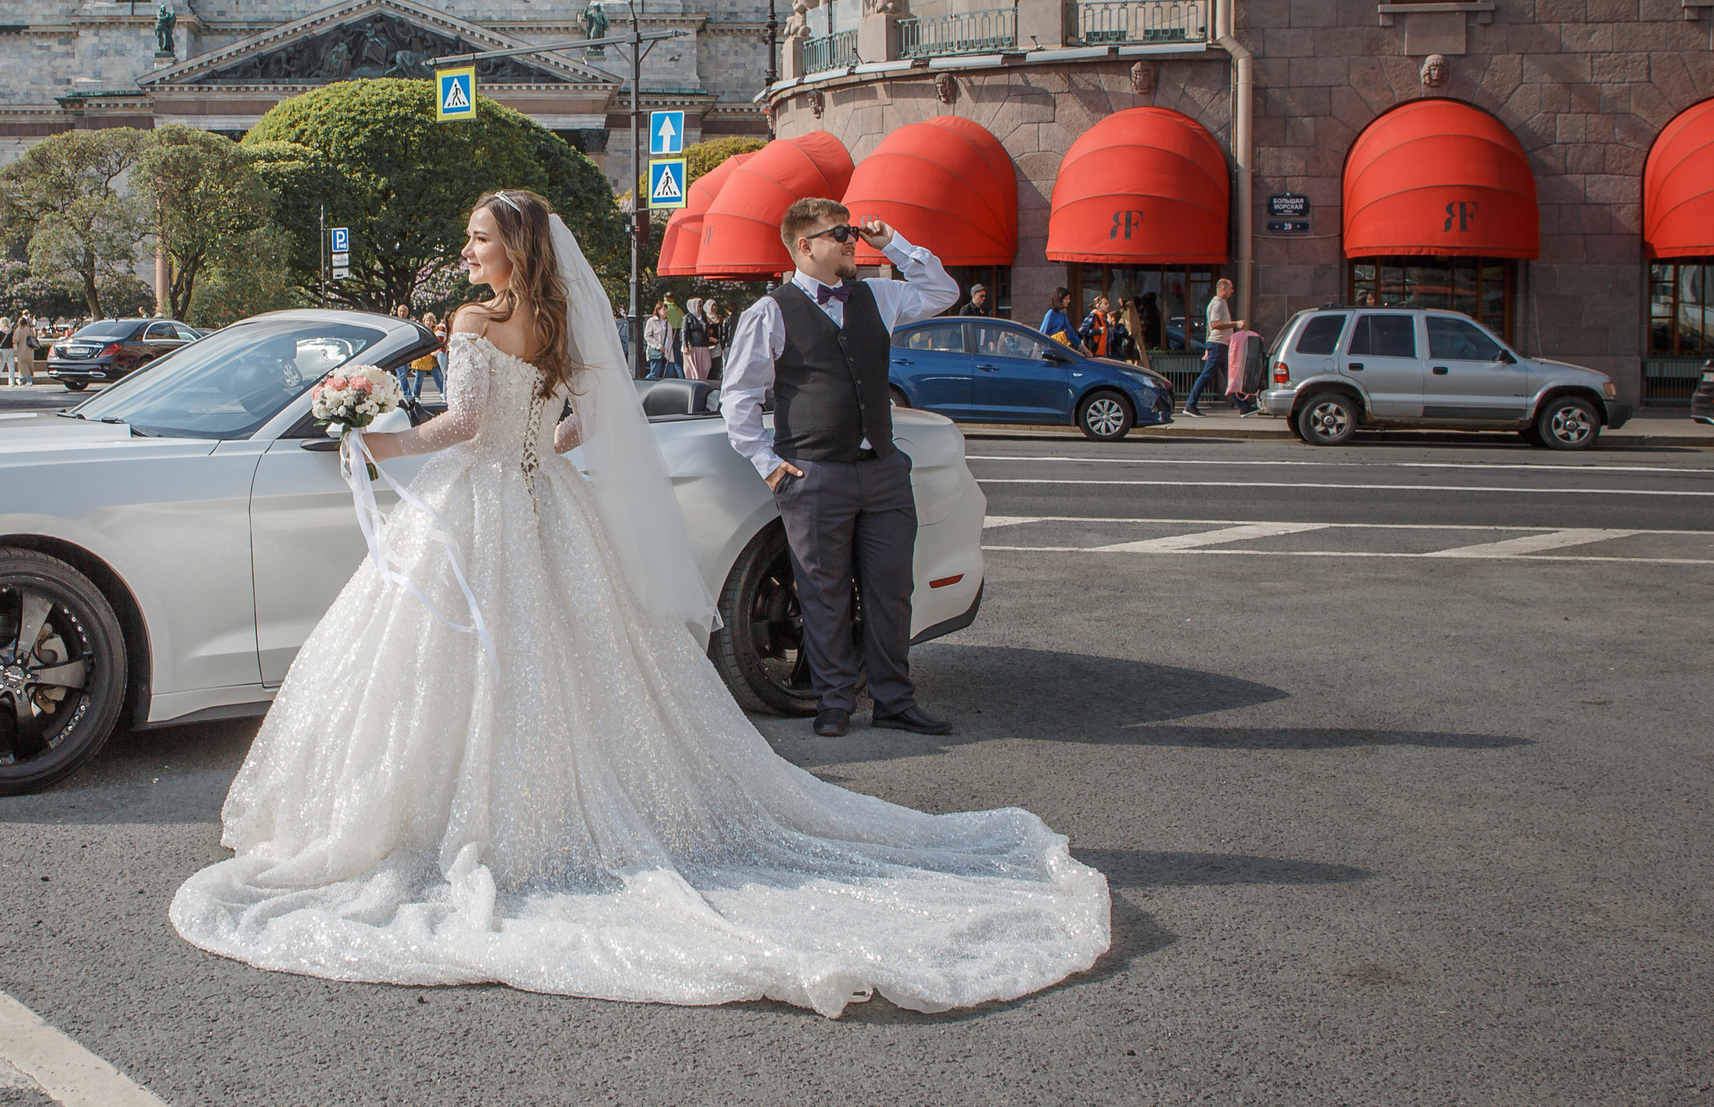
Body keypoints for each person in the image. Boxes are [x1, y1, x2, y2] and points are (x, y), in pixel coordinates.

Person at [171, 189, 1110, 1016]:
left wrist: (379, 442)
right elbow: (585, 423)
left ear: (513, 249)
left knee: (466, 662)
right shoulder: (563, 327)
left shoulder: (469, 321)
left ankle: (466, 819)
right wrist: (535, 449)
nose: (467, 252)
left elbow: (460, 425)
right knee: (574, 661)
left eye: (477, 237)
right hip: (549, 502)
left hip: (481, 505)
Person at [720, 198, 961, 742]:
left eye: (853, 232)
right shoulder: (770, 312)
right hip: (814, 474)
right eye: (841, 234)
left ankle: (895, 700)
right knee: (822, 592)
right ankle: (834, 702)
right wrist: (769, 465)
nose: (853, 241)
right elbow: (737, 399)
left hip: (882, 470)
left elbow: (943, 292)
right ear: (805, 246)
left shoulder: (877, 293)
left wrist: (892, 242)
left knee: (890, 589)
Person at [1184, 278, 1246, 416]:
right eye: (1230, 288)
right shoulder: (1217, 303)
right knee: (1206, 375)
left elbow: (1209, 328)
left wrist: (1207, 346)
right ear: (1223, 288)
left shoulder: (1219, 303)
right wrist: (1235, 324)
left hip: (1219, 345)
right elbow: (1215, 324)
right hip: (1218, 346)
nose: (1232, 291)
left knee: (1230, 377)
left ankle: (1244, 405)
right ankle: (1190, 405)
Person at [680, 295, 715, 379]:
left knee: (706, 366)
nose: (701, 308)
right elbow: (684, 332)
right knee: (694, 369)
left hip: (703, 345)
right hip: (693, 345)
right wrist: (686, 346)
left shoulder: (703, 317)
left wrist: (709, 337)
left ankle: (702, 380)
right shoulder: (688, 318)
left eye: (702, 306)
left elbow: (705, 330)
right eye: (699, 306)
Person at [640, 298, 672, 378]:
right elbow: (647, 336)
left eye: (666, 309)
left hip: (668, 353)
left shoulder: (668, 323)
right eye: (664, 309)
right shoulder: (652, 321)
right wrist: (658, 346)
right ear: (658, 310)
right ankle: (645, 385)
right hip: (656, 352)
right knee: (654, 374)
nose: (666, 311)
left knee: (669, 374)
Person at [13, 311, 39, 387]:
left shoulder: (18, 330)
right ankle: (20, 380)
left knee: (23, 365)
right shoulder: (29, 329)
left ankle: (29, 380)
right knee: (28, 365)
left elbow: (15, 340)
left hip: (22, 350)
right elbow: (34, 335)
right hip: (30, 350)